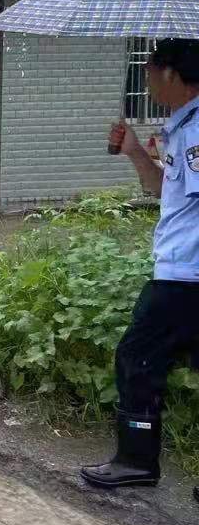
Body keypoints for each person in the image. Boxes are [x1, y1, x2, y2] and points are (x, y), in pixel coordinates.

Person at [82, 39, 199, 493]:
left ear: (171, 74)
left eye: (149, 71)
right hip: (180, 270)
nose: (146, 81)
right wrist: (134, 149)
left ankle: (136, 461)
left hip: (185, 274)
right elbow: (160, 189)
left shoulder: (194, 131)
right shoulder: (181, 126)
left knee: (137, 357)